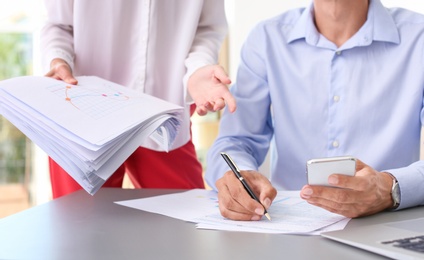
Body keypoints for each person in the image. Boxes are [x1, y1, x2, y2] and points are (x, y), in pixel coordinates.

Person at [205, 0, 424, 221]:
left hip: (388, 223)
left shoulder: (419, 36)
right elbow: (234, 140)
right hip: (287, 227)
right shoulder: (266, 38)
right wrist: (238, 176)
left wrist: (390, 188)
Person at [40, 0, 236, 198]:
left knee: (183, 220)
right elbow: (58, 24)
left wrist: (199, 67)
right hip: (83, 114)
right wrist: (58, 58)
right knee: (78, 223)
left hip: (163, 111)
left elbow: (207, 27)